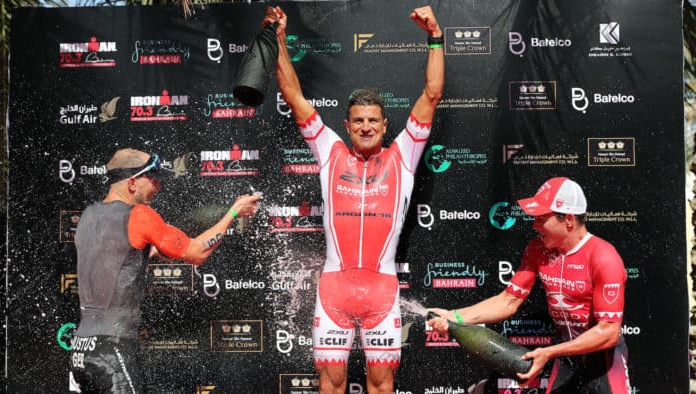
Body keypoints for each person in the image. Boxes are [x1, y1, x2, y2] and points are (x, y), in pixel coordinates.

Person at [263, 5, 444, 393]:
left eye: (373, 120)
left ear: (384, 125)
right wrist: (279, 39)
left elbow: (432, 93)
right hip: (334, 293)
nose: (365, 126)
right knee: (331, 384)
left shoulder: (404, 155)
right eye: (358, 120)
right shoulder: (329, 150)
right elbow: (293, 94)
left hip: (382, 291)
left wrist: (435, 36)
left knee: (382, 386)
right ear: (346, 126)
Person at [69, 148, 261, 393]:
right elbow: (197, 252)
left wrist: (148, 251)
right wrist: (233, 213)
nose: (157, 186)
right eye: (152, 179)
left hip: (80, 351)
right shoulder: (139, 215)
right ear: (132, 183)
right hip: (113, 351)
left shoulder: (88, 216)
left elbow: (113, 259)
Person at [428, 177, 631, 394]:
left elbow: (608, 331)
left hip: (604, 362)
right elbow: (509, 300)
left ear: (569, 220)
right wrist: (455, 317)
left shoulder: (603, 257)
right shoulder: (537, 248)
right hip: (564, 359)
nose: (534, 225)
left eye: (542, 218)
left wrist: (550, 352)